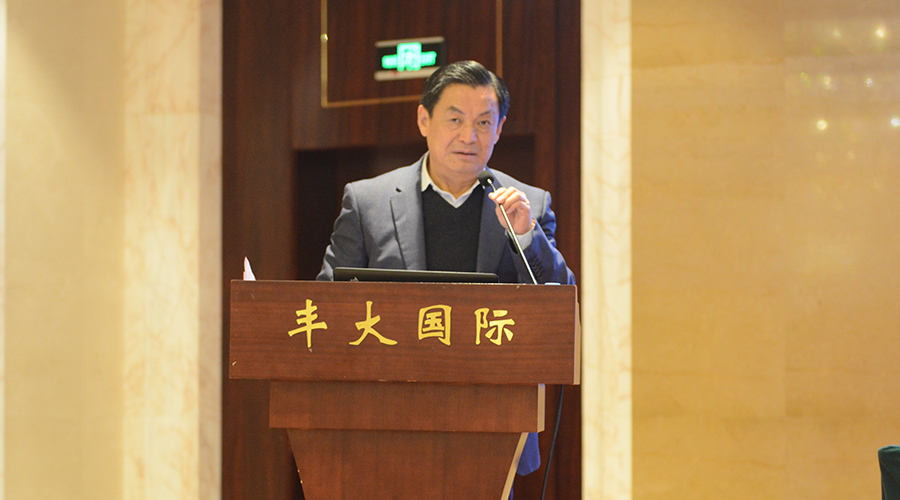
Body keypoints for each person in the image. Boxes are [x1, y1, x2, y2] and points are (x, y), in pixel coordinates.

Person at [316, 60, 575, 483]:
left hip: (494, 425)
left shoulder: (529, 204)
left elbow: (561, 304)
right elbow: (326, 303)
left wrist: (526, 235)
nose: (469, 136)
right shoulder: (367, 202)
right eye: (455, 119)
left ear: (499, 129)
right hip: (383, 421)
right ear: (424, 119)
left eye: (484, 122)